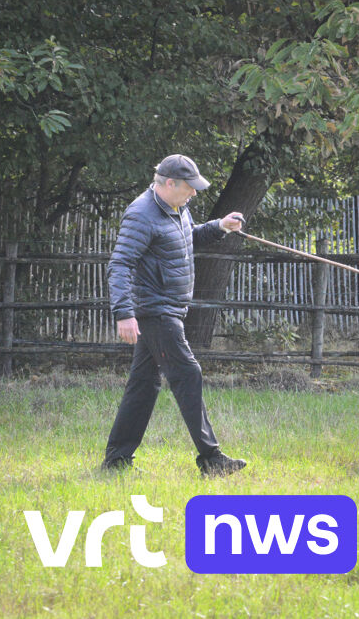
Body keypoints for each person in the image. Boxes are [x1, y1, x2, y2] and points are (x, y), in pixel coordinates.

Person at [102, 154, 248, 476]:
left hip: (167, 309)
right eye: (189, 187)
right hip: (155, 311)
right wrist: (125, 313)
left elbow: (185, 239)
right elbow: (120, 264)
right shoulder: (141, 214)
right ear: (169, 183)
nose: (194, 193)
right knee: (188, 373)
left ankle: (116, 462)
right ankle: (212, 460)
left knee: (143, 385)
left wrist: (220, 226)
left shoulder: (176, 208)